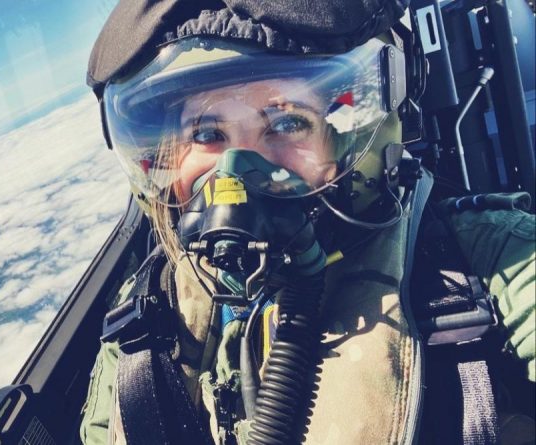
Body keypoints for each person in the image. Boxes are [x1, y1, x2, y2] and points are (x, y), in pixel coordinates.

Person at [79, 1, 536, 444]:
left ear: (346, 139)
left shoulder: (490, 263)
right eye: (206, 134)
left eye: (286, 123)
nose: (237, 173)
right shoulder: (148, 318)